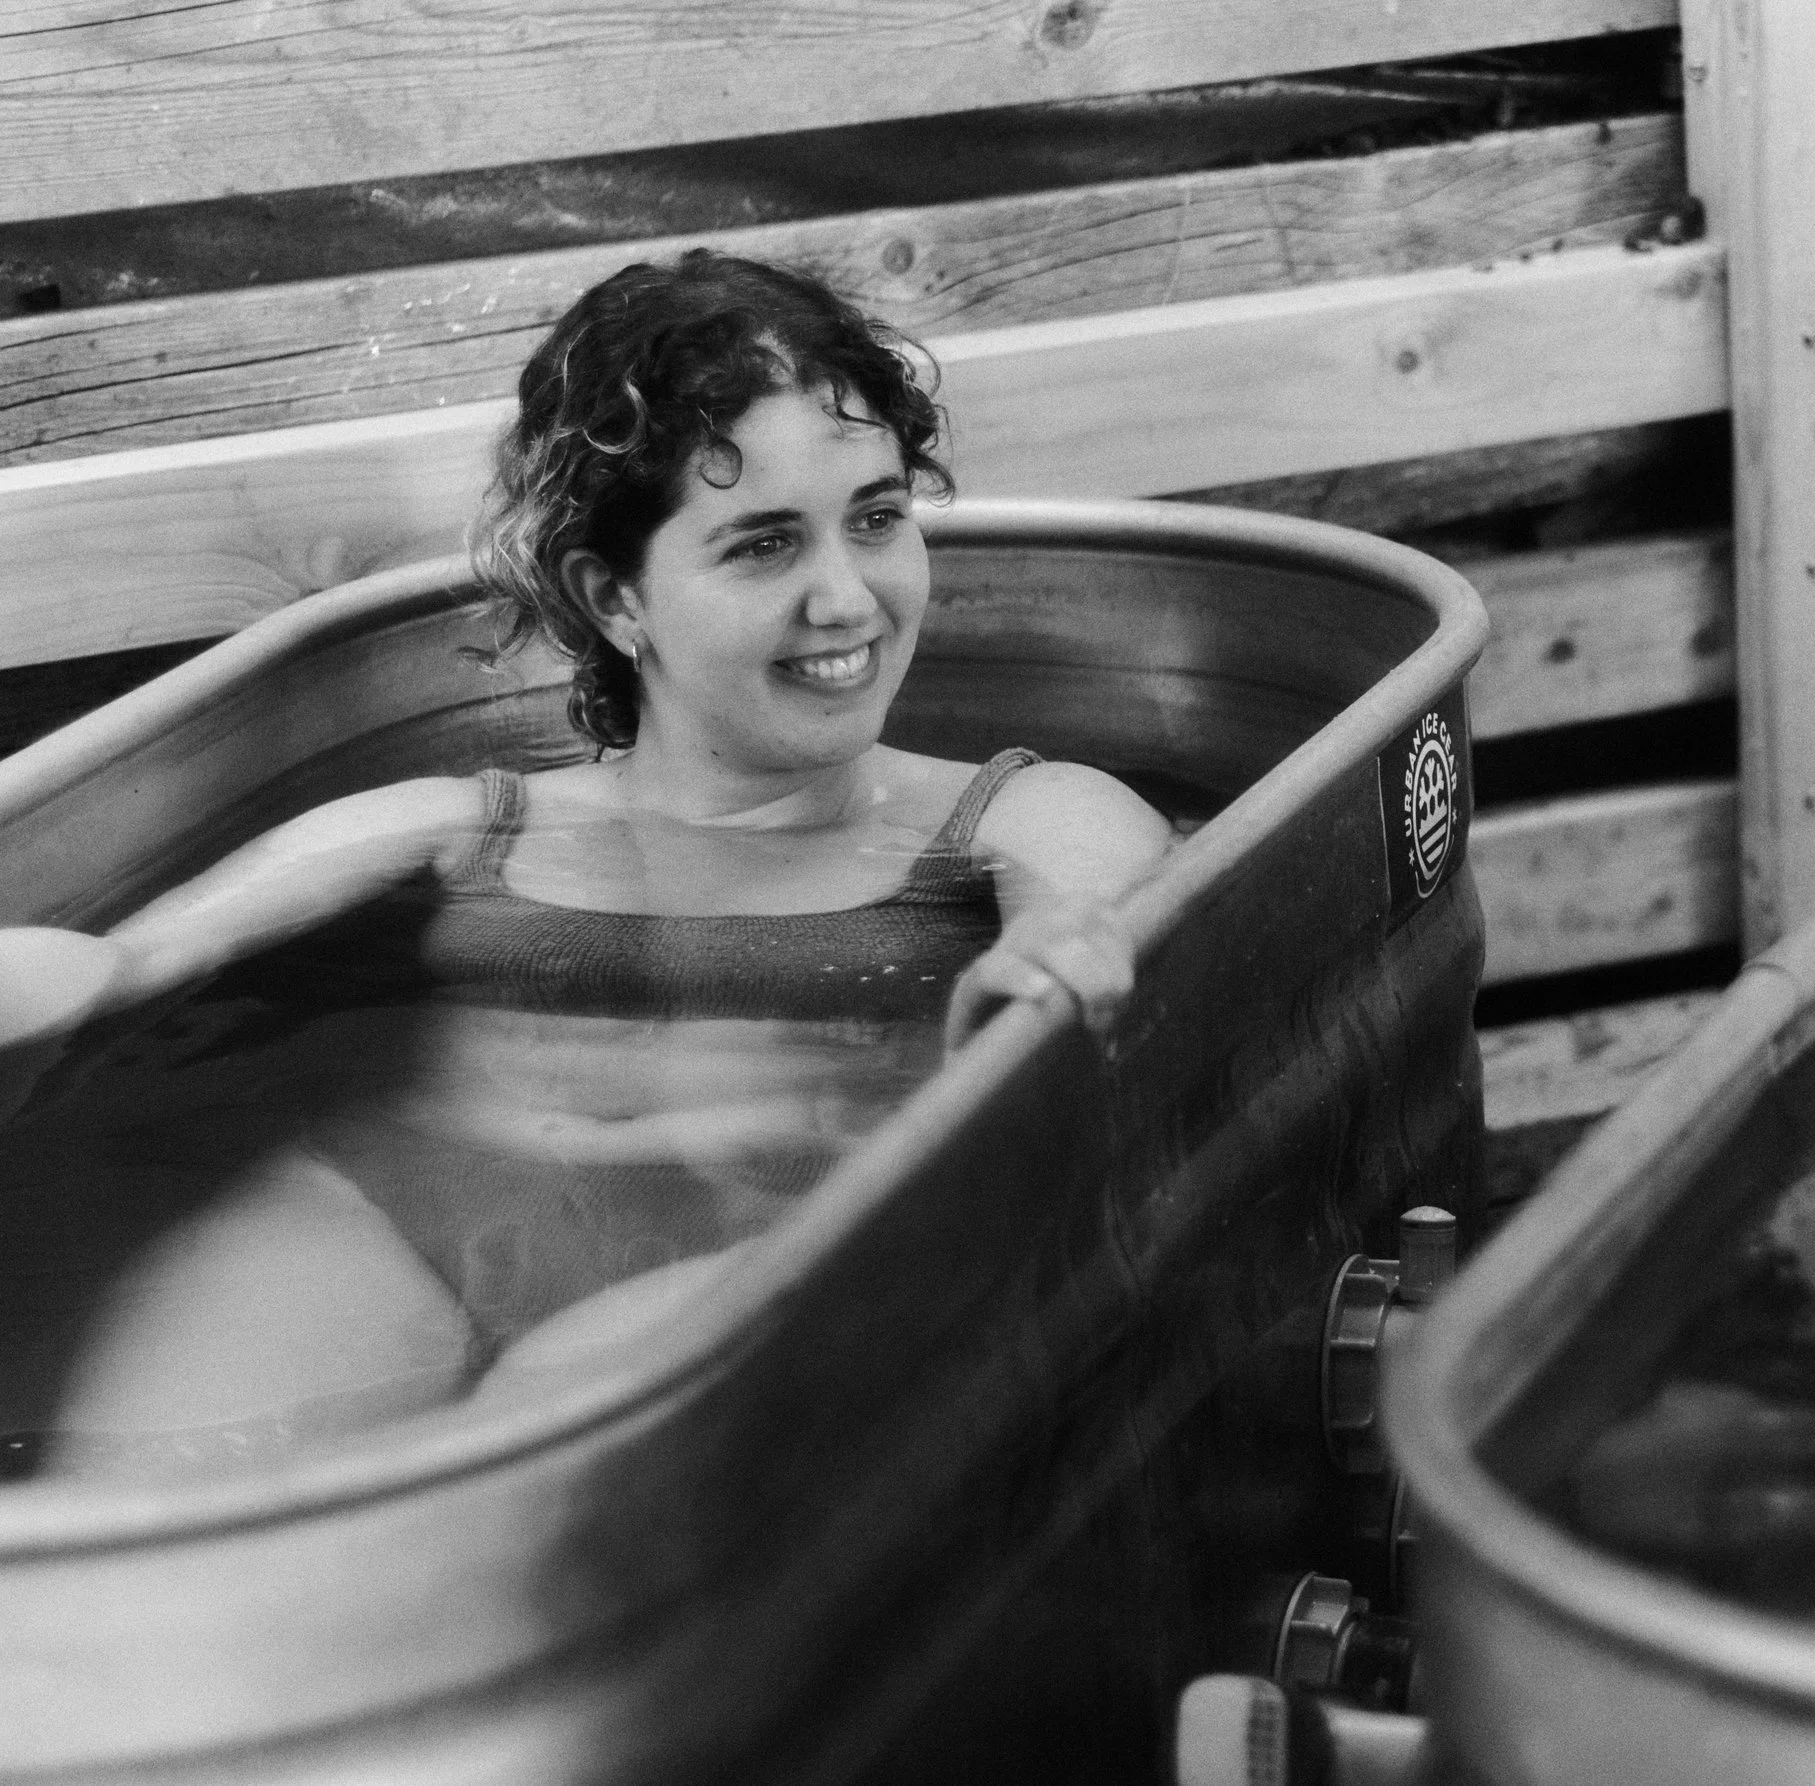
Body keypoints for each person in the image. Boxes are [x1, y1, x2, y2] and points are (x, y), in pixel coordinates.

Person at [0, 251, 1171, 1465]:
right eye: (764, 545)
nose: (848, 600)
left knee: (506, 1512)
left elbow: (1102, 919)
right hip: (411, 1209)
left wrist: (1040, 974)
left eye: (875, 519)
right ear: (613, 598)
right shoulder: (468, 824)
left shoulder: (1011, 818)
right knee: (148, 1514)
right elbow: (125, 965)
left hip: (794, 1240)